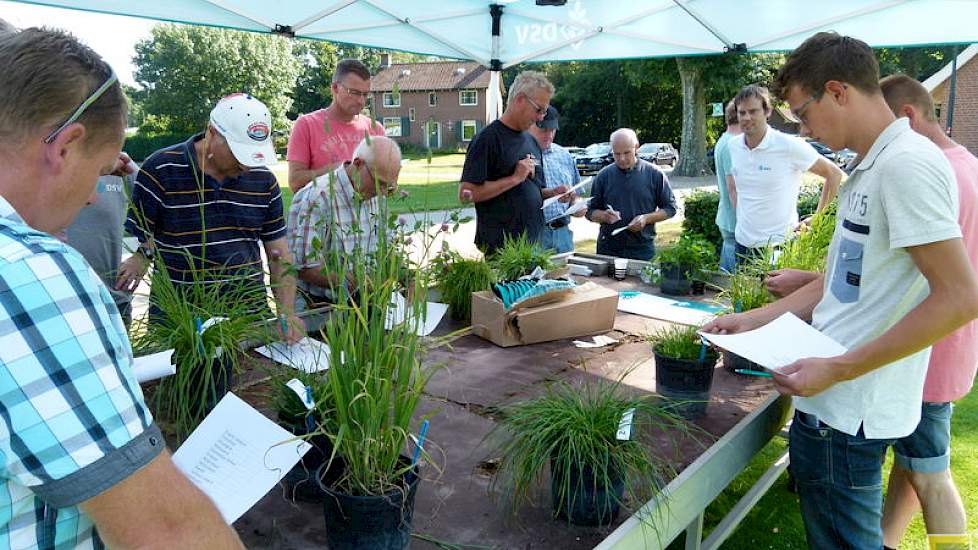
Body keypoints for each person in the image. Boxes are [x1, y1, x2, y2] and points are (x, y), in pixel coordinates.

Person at [705, 32, 978, 550]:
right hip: (834, 404)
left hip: (848, 412)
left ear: (837, 91)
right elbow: (842, 283)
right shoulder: (871, 164)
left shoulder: (906, 166)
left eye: (801, 114)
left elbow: (961, 298)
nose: (802, 129)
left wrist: (838, 368)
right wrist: (751, 320)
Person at [0, 25, 242, 548]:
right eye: (97, 174)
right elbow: (165, 528)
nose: (92, 199)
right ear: (65, 147)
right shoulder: (30, 273)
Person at [875, 75, 977, 549]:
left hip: (928, 352)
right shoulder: (968, 165)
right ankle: (887, 542)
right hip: (952, 346)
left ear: (907, 119)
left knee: (931, 477)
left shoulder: (935, 174)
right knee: (915, 468)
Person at [119, 93, 304, 342]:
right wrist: (141, 258)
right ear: (212, 132)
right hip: (180, 323)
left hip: (247, 319)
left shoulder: (264, 181)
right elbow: (148, 234)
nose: (247, 165)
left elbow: (279, 253)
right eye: (239, 152)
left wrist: (287, 312)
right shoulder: (161, 169)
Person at [727, 84, 844, 265]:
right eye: (742, 113)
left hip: (780, 245)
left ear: (767, 112)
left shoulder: (788, 145)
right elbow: (734, 187)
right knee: (743, 295)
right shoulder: (733, 146)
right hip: (742, 246)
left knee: (782, 295)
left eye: (753, 111)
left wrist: (818, 218)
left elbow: (834, 174)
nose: (747, 118)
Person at [288, 136, 402, 312]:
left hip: (367, 302)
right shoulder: (319, 196)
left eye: (389, 187)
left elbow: (387, 248)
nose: (382, 193)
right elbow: (304, 266)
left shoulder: (376, 194)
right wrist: (354, 282)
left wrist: (407, 278)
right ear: (357, 164)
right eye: (379, 183)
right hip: (322, 308)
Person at [460, 71, 563, 255]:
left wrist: (554, 193)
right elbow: (466, 194)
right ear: (520, 99)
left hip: (534, 246)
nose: (541, 117)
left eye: (545, 111)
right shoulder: (487, 139)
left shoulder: (531, 140)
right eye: (539, 110)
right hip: (502, 251)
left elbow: (535, 190)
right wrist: (514, 178)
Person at [287, 59, 385, 192]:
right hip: (323, 211)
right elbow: (295, 182)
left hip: (367, 212)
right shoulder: (306, 125)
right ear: (335, 88)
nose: (361, 101)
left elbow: (385, 184)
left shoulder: (375, 129)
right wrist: (339, 171)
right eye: (354, 93)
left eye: (365, 94)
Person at [586, 128, 676, 261]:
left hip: (642, 249)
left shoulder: (654, 174)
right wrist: (604, 216)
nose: (622, 159)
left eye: (627, 153)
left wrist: (646, 218)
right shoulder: (603, 176)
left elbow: (670, 208)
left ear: (637, 147)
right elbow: (590, 211)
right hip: (608, 248)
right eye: (617, 154)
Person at [66, 173, 135, 326]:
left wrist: (143, 255)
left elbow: (167, 208)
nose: (91, 199)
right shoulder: (47, 163)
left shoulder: (122, 168)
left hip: (112, 300)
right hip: (62, 300)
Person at [528, 106, 583, 253]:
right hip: (534, 235)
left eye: (553, 130)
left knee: (566, 274)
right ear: (530, 126)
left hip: (563, 233)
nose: (549, 135)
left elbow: (576, 192)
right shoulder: (522, 155)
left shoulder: (564, 156)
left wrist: (578, 205)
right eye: (544, 130)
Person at [714, 100, 741, 272]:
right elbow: (733, 188)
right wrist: (748, 222)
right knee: (734, 283)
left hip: (728, 219)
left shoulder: (724, 140)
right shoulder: (733, 145)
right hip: (735, 222)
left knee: (727, 278)